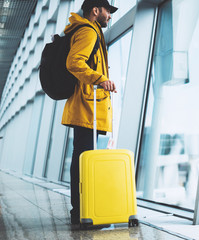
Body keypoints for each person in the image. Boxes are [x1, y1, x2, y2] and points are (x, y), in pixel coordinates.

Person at [61, 0, 118, 224]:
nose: (110, 16)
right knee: (84, 162)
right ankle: (83, 212)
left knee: (82, 160)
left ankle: (81, 210)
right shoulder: (88, 32)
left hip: (85, 106)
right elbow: (74, 62)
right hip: (87, 108)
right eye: (108, 11)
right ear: (96, 10)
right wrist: (101, 79)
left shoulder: (87, 30)